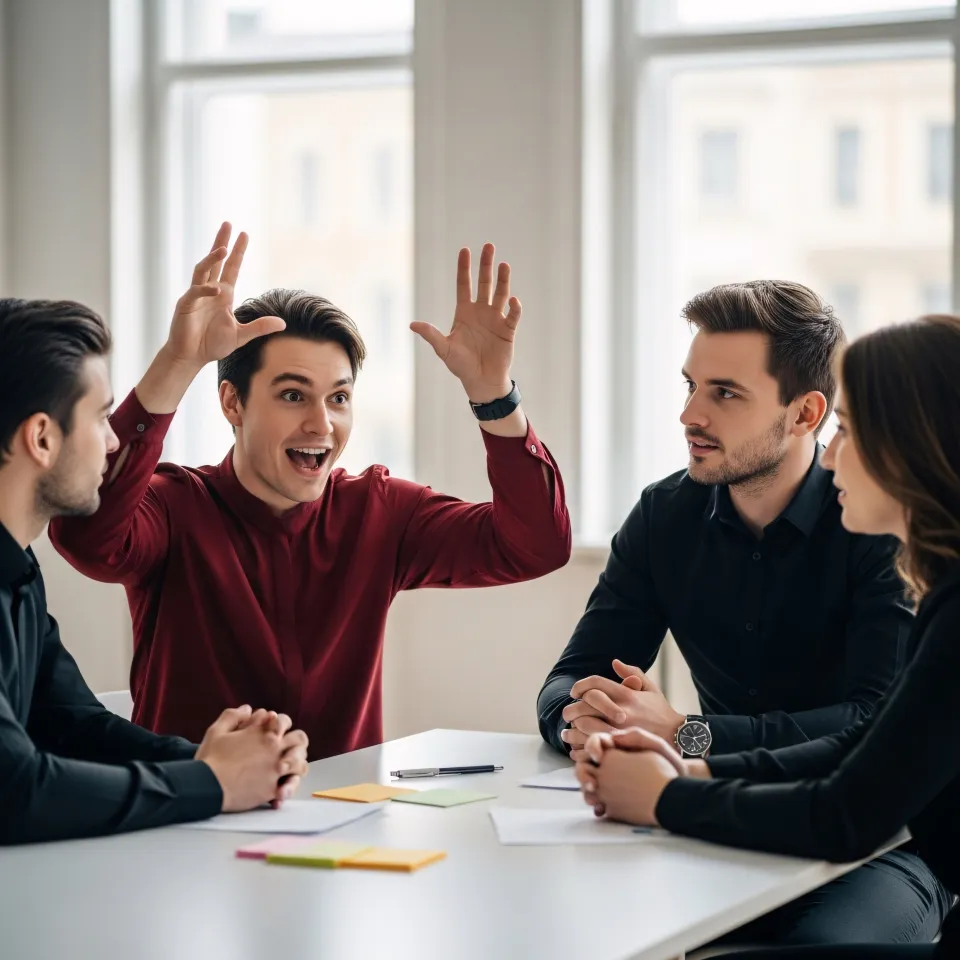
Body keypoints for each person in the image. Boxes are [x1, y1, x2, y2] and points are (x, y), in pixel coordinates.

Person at [50, 223, 571, 760]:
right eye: (293, 395)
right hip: (187, 815)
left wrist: (493, 396)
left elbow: (536, 546)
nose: (321, 424)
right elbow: (87, 535)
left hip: (347, 828)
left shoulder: (380, 511)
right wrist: (178, 364)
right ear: (232, 404)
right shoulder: (174, 505)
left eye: (339, 397)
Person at [539, 282, 949, 946]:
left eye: (724, 393)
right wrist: (591, 723)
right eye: (690, 386)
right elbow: (570, 678)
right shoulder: (662, 517)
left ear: (805, 414)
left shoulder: (888, 532)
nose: (689, 415)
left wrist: (686, 742)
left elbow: (864, 739)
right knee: (570, 925)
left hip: (884, 844)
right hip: (735, 813)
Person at [0, 297, 309, 845]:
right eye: (100, 418)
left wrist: (227, 762)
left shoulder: (17, 574)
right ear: (42, 438)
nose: (115, 441)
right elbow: (16, 790)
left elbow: (74, 727)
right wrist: (210, 782)